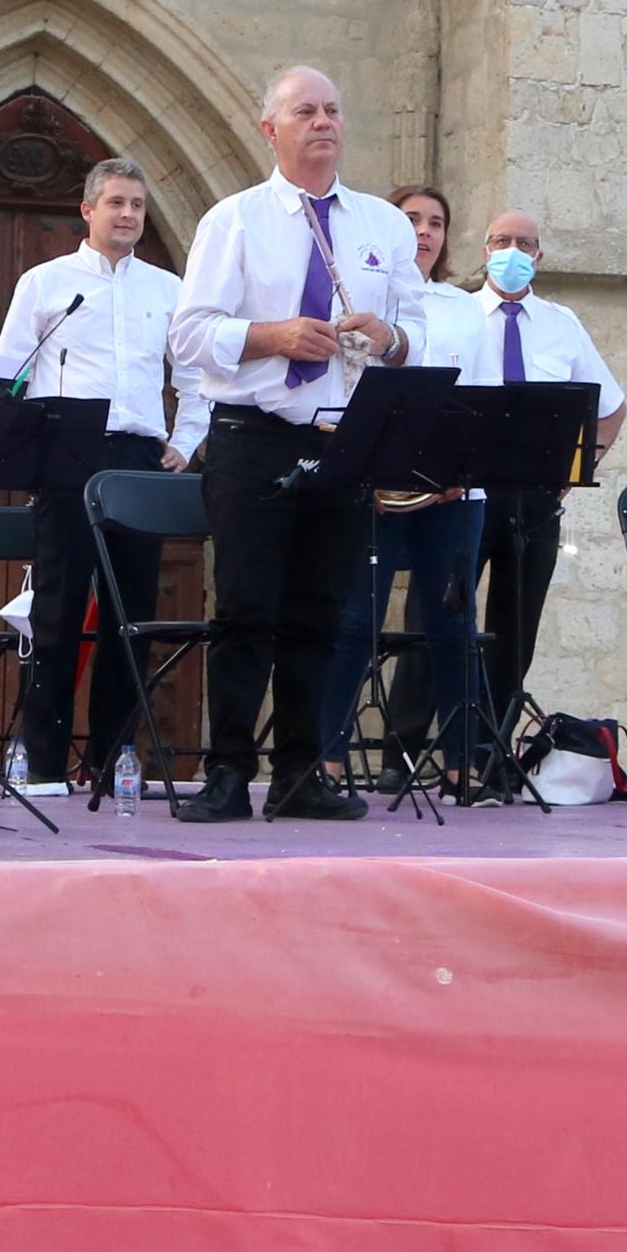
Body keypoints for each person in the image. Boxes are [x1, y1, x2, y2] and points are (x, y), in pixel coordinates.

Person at [166, 66, 424, 821]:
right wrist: (268, 335)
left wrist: (392, 336)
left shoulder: (383, 225)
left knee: (322, 612)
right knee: (245, 608)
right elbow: (188, 334)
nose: (323, 121)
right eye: (305, 110)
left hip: (342, 437)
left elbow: (427, 329)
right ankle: (226, 772)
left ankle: (302, 770)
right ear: (269, 129)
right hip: (253, 434)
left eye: (333, 109)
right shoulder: (234, 219)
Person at [0, 156, 206, 799]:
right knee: (56, 610)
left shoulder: (168, 288)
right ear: (88, 210)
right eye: (116, 203)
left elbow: (195, 378)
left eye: (137, 204)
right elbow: (10, 370)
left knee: (130, 615)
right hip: (66, 454)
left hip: (140, 459)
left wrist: (185, 442)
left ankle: (111, 759)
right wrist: (25, 447)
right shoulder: (46, 282)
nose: (128, 214)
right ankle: (45, 764)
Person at [321, 185, 488, 790]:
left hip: (450, 491)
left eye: (436, 222)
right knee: (355, 619)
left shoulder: (465, 308)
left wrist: (458, 472)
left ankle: (461, 762)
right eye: (411, 219)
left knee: (452, 625)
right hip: (375, 486)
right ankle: (329, 755)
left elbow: (480, 397)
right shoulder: (363, 300)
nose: (424, 232)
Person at [470, 209, 627, 737]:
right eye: (501, 241)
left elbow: (611, 406)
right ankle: (427, 745)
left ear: (539, 256)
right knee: (440, 618)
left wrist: (581, 465)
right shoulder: (459, 315)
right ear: (484, 250)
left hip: (536, 497)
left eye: (524, 243)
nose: (513, 251)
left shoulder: (563, 325)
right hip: (464, 491)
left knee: (517, 627)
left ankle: (494, 743)